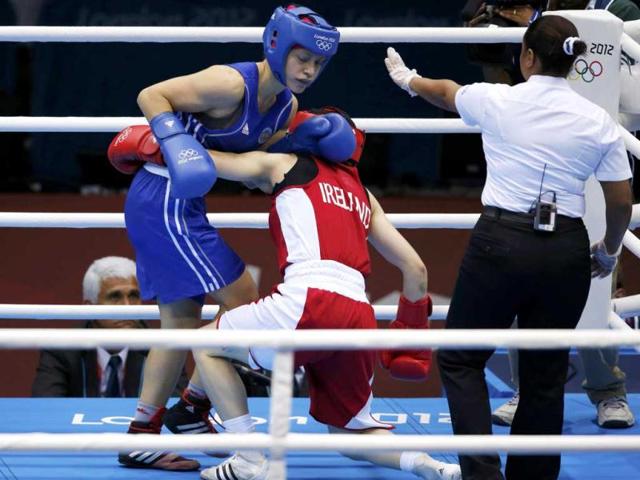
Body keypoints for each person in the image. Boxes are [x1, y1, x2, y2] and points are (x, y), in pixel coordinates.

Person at [113, 106, 462, 479]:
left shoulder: (282, 164)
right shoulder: (363, 194)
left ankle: (247, 457)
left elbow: (204, 161)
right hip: (359, 316)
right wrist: (410, 334)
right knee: (350, 433)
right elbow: (416, 270)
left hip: (309, 301)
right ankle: (430, 465)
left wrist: (155, 143)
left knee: (206, 344)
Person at [385, 14, 632, 480]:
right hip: (566, 251)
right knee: (546, 370)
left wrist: (408, 80)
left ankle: (481, 475)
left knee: (460, 358)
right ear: (573, 64)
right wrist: (609, 251)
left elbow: (444, 91)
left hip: (501, 243)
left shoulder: (497, 100)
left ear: (527, 57)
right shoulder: (598, 121)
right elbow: (620, 201)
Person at [107, 4, 343, 472]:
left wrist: (302, 144)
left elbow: (254, 173)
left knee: (180, 323)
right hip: (164, 197)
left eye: (318, 63)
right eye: (302, 58)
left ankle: (145, 433)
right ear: (277, 45)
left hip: (182, 203)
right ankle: (191, 409)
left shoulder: (286, 108)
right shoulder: (230, 83)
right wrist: (175, 142)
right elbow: (150, 95)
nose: (309, 70)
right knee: (242, 295)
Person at [491, 264, 636, 429]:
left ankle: (609, 393)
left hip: (592, 240)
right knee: (523, 292)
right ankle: (528, 393)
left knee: (597, 299)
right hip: (531, 241)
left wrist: (609, 246)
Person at [31, 256, 187, 398]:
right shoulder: (62, 350)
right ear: (89, 307)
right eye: (115, 297)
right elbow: (45, 409)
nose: (127, 307)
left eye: (133, 296)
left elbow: (174, 411)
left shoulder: (163, 349)